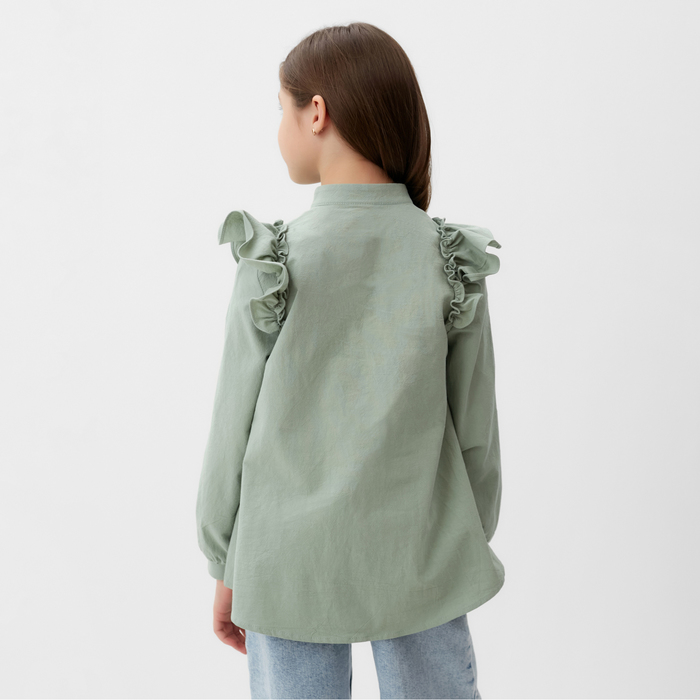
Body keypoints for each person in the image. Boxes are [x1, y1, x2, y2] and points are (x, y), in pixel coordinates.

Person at [195, 21, 505, 700]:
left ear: (317, 112)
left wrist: (226, 559)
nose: (278, 128)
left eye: (281, 108)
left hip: (283, 557)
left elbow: (231, 429)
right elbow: (476, 433)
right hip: (422, 548)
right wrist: (461, 537)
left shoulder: (273, 261)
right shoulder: (450, 260)